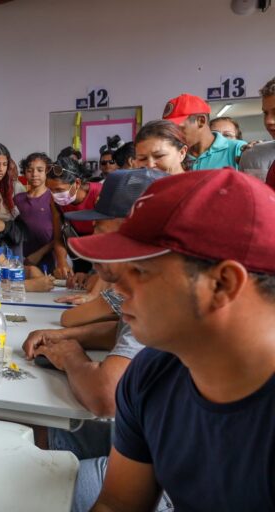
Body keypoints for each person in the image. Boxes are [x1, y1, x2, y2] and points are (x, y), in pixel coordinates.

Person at [68, 169, 275, 511]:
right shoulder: (152, 373)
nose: (119, 288)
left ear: (222, 284)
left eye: (140, 271)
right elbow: (117, 503)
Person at [24, 169, 168, 512]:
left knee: (30, 490)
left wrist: (71, 355)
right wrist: (65, 337)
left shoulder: (159, 294)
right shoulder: (147, 286)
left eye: (102, 232)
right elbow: (126, 333)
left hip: (167, 473)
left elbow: (105, 396)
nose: (99, 254)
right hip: (144, 439)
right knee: (34, 433)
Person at [47, 157, 102, 278]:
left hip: (101, 247)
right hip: (77, 247)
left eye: (59, 190)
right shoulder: (55, 200)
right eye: (51, 190)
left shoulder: (99, 194)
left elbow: (106, 237)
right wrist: (62, 262)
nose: (55, 194)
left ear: (77, 183)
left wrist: (94, 273)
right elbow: (58, 238)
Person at [162, 93, 246, 170]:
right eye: (170, 129)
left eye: (179, 128)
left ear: (201, 121)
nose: (174, 135)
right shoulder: (175, 154)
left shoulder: (238, 149)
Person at [14, 152, 55, 271]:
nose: (34, 174)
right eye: (29, 170)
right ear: (24, 172)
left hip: (49, 258)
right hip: (23, 258)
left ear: (47, 171)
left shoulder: (53, 198)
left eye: (40, 170)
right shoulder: (18, 199)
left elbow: (60, 235)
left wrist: (39, 254)